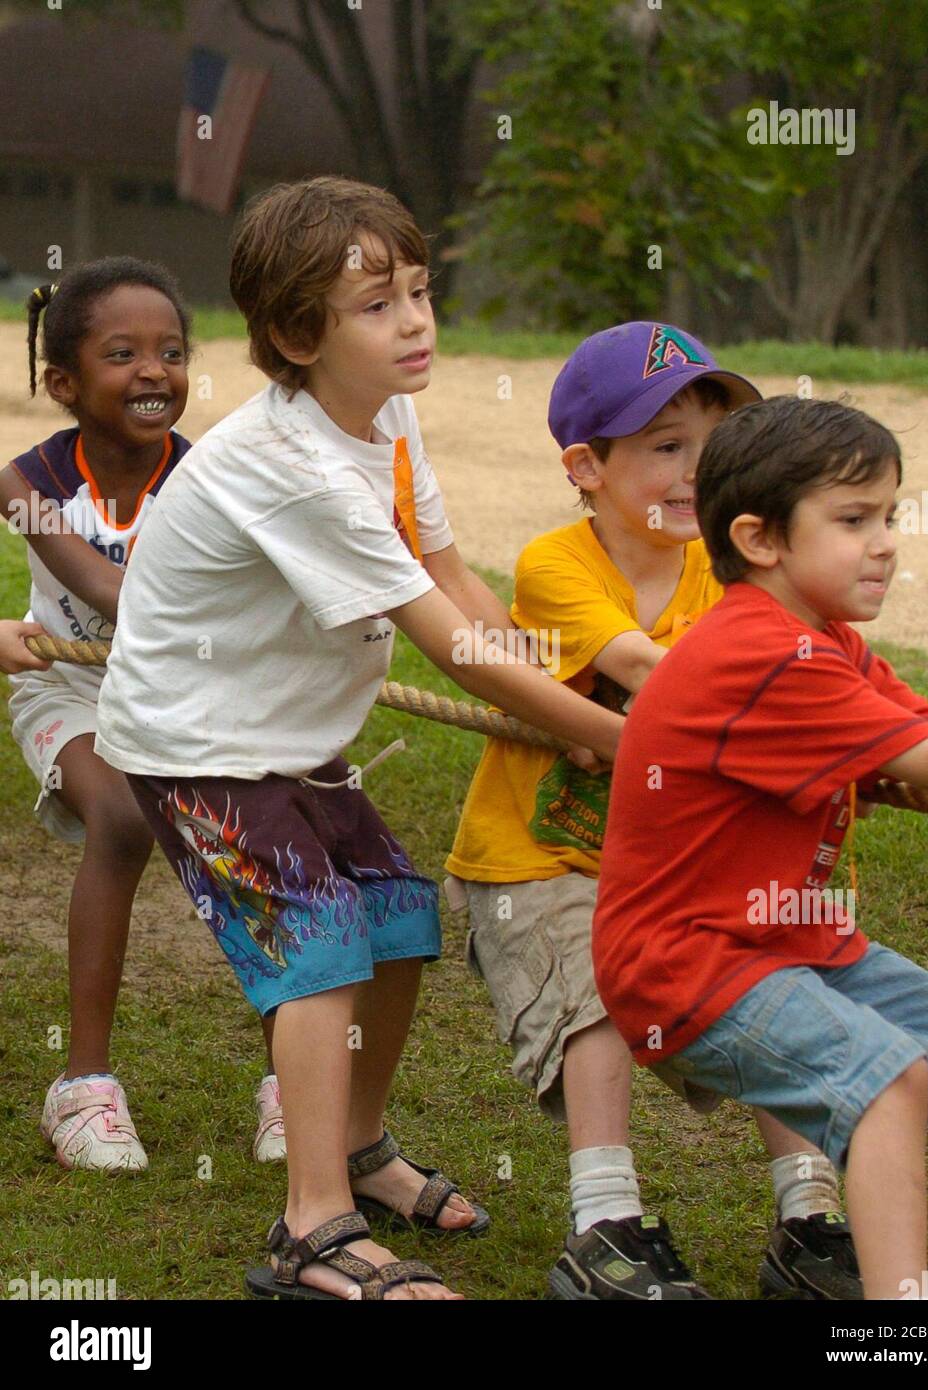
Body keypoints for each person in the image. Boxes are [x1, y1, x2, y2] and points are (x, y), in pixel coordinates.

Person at [94, 175, 625, 1301]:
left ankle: (360, 1148)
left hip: (290, 736)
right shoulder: (289, 470)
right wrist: (611, 737)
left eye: (421, 292)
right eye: (379, 306)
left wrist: (563, 692)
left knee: (395, 922)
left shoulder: (381, 411)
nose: (418, 323)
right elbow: (450, 646)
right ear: (297, 334)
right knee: (321, 950)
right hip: (199, 747)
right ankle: (312, 1228)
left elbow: (445, 572)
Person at [446, 324, 861, 1300]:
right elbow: (641, 665)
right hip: (536, 859)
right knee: (594, 997)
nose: (695, 472)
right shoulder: (558, 563)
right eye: (666, 447)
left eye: (713, 450)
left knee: (771, 982)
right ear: (585, 466)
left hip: (670, 868)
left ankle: (810, 1220)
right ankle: (606, 1229)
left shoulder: (732, 569)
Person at [593, 394, 928, 1301]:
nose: (887, 540)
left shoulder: (830, 647)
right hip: (686, 962)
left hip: (789, 946)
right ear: (759, 539)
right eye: (853, 519)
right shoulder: (763, 653)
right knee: (886, 1076)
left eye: (891, 515)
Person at [0, 260, 193, 1171]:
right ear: (63, 385)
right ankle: (82, 1088)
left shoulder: (208, 479)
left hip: (188, 695)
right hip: (69, 689)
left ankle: (294, 1078)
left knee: (272, 828)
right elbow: (104, 588)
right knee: (119, 818)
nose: (154, 370)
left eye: (171, 351)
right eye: (124, 354)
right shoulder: (29, 482)